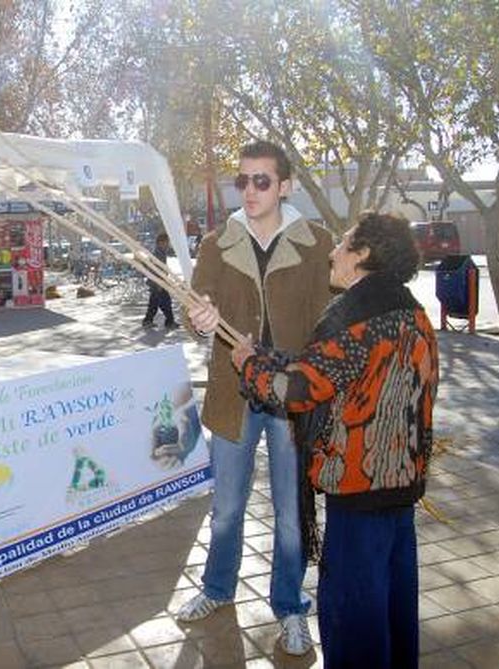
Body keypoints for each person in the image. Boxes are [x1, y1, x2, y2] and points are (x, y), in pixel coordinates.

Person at [219, 212, 439, 669]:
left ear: (363, 256)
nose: (332, 254)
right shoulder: (411, 311)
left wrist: (249, 366)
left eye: (342, 245)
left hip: (360, 493)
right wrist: (265, 356)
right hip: (401, 490)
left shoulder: (355, 319)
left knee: (353, 618)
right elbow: (327, 370)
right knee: (395, 609)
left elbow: (296, 391)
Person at [177, 140, 333, 657]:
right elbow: (195, 309)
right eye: (241, 181)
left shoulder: (316, 243)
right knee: (226, 508)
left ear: (285, 185)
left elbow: (327, 322)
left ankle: (290, 607)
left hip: (290, 397)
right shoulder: (217, 243)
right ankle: (217, 589)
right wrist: (200, 317)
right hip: (234, 394)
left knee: (291, 514)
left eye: (261, 181)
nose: (249, 190)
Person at [141, 233, 178, 330]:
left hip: (159, 282)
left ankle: (148, 321)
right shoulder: (157, 253)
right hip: (158, 282)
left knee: (156, 303)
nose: (168, 244)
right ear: (161, 242)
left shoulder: (160, 251)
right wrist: (159, 283)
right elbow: (155, 269)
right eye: (166, 242)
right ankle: (169, 322)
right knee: (164, 303)